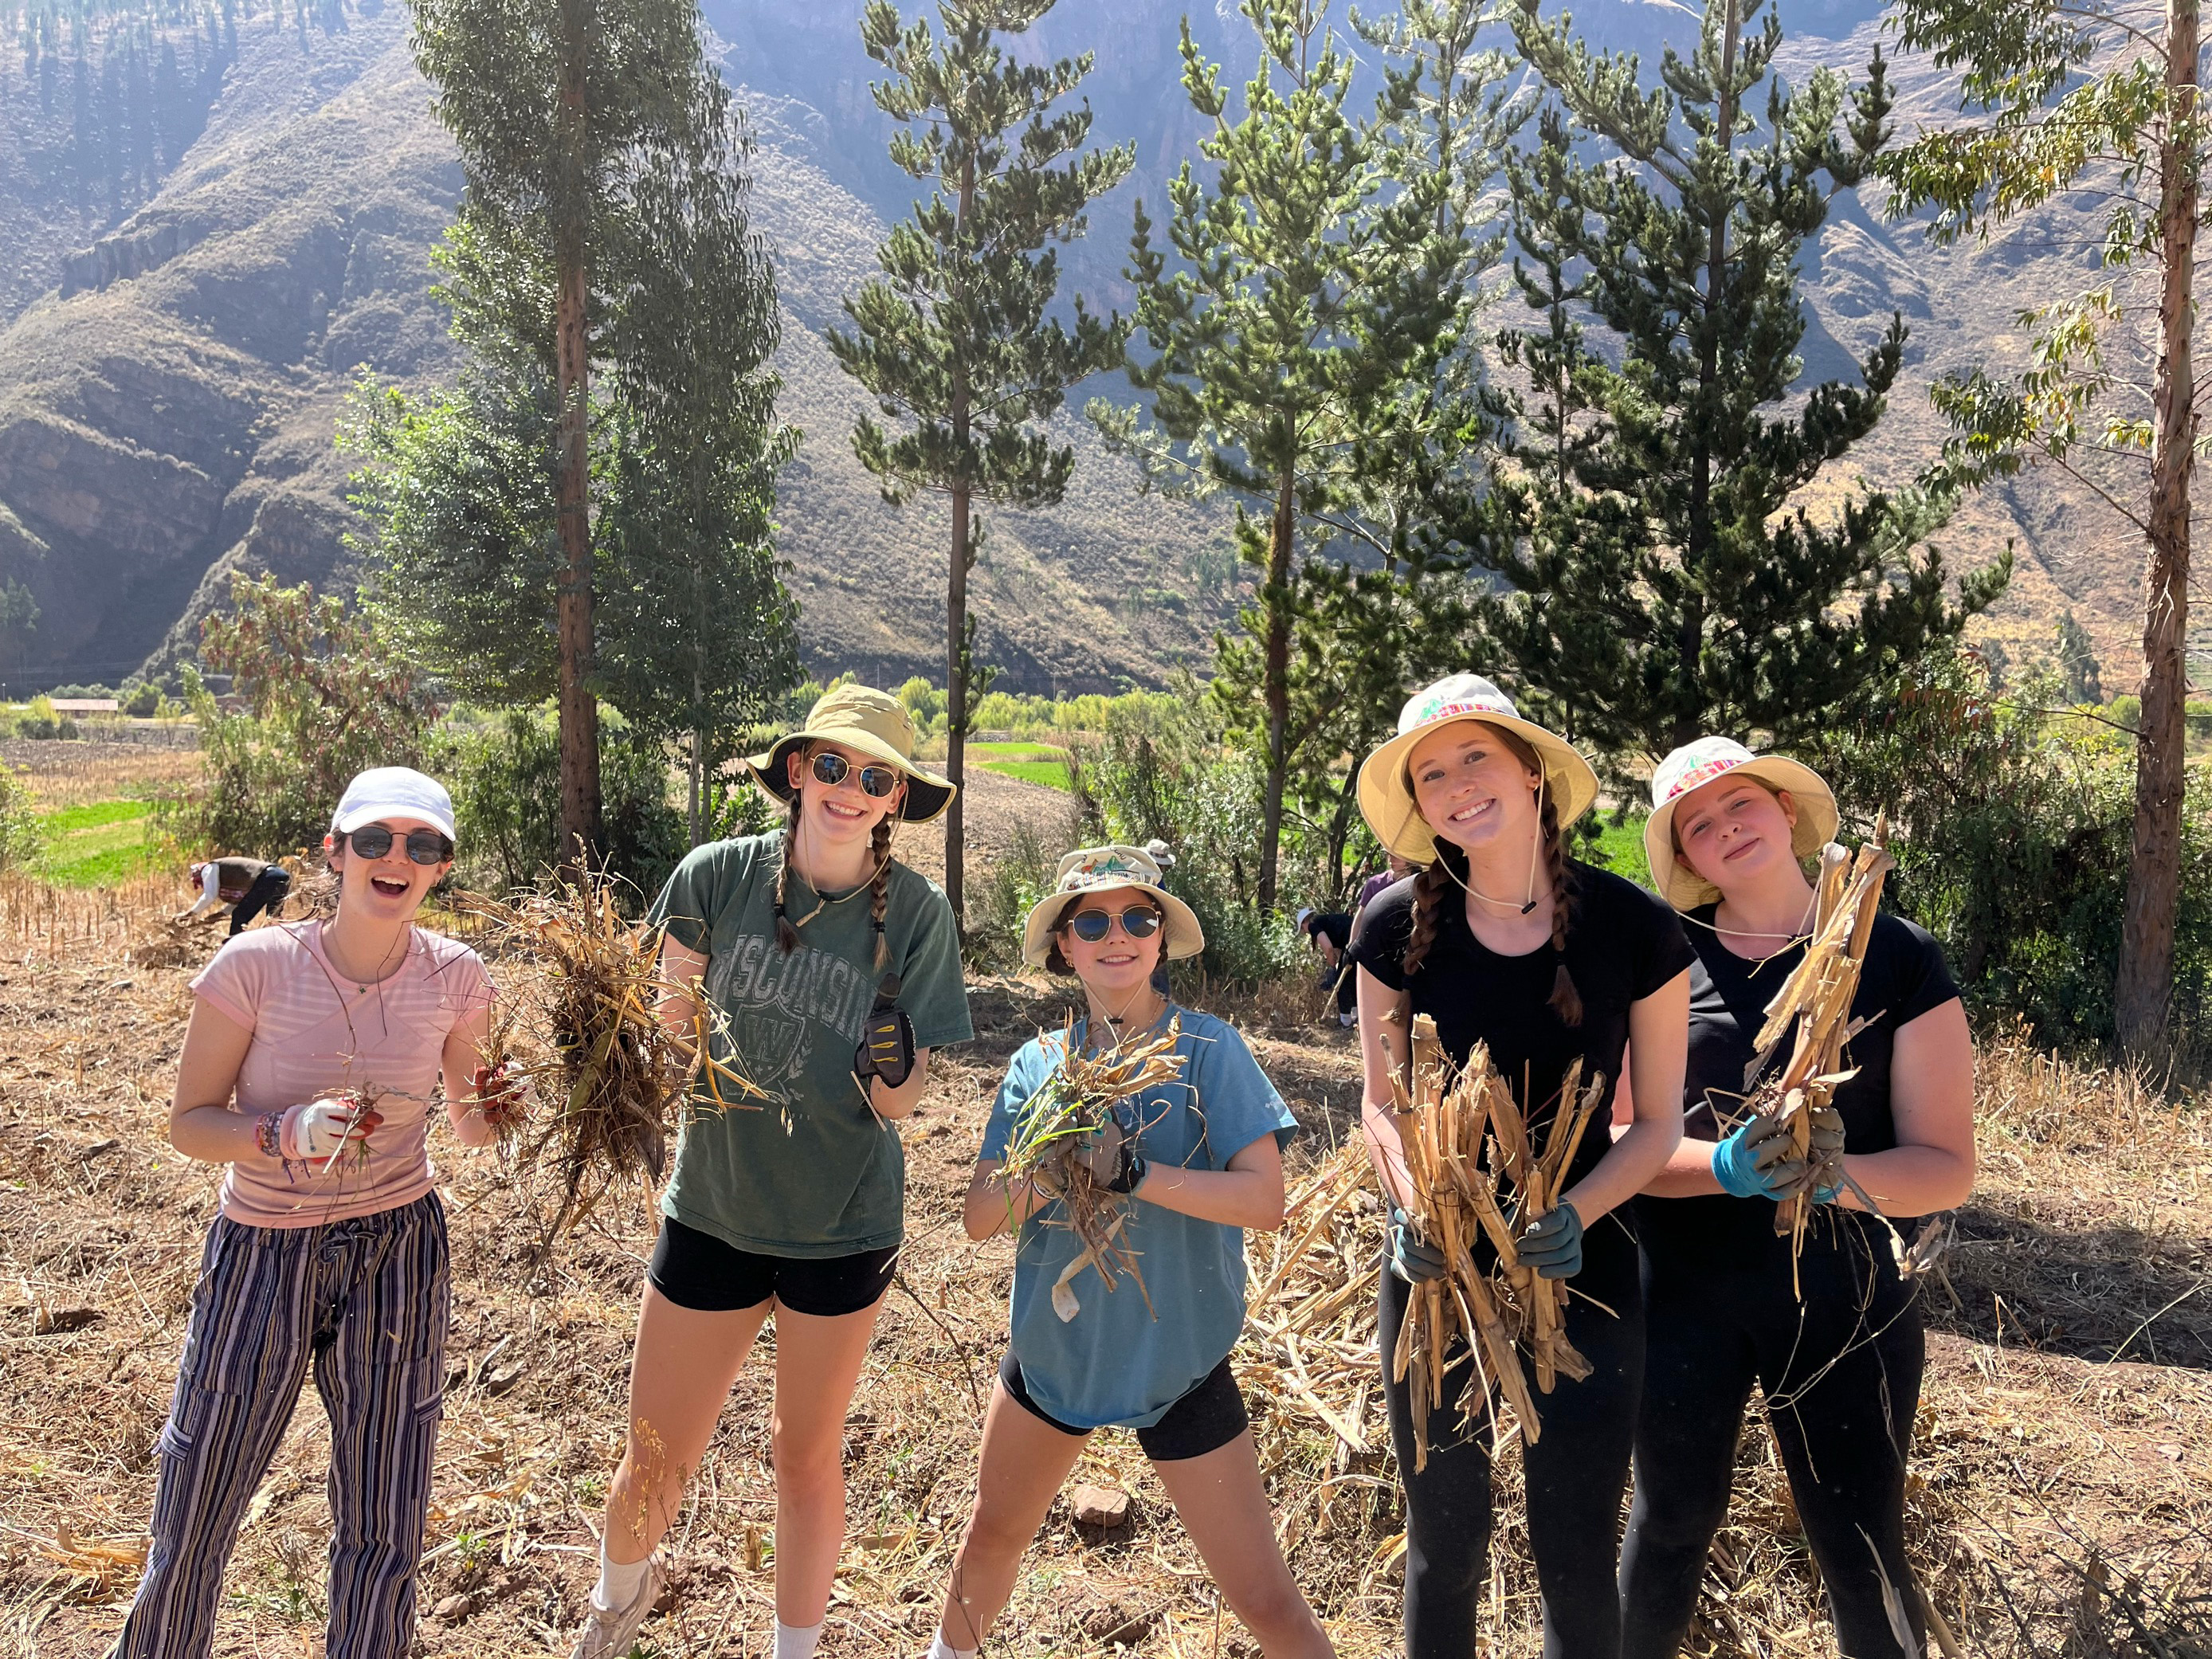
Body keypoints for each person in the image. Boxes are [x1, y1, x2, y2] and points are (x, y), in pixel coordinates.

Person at [571, 685, 971, 1659]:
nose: (849, 789)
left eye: (874, 777)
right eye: (832, 765)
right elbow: (668, 1039)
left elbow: (901, 1105)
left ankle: (795, 1650)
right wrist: (602, 1054)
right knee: (654, 1456)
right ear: (796, 770)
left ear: (894, 800)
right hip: (714, 1211)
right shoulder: (714, 876)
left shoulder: (914, 917)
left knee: (805, 1455)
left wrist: (890, 1073)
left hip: (841, 1226)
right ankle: (610, 1614)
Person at [114, 767, 515, 1659]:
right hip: (265, 1249)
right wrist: (281, 1131)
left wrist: (509, 1099)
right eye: (374, 840)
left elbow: (471, 1125)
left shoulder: (459, 977)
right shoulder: (253, 966)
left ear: (442, 869)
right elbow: (189, 1126)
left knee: (386, 1516)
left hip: (399, 1251)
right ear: (334, 853)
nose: (396, 858)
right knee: (199, 1499)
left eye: (423, 846)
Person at [1342, 673, 1692, 1659]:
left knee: (1574, 1550)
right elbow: (1379, 1102)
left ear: (1532, 770)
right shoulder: (1388, 929)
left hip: (1586, 1271)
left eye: (1474, 758)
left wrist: (1577, 1212)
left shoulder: (1635, 928)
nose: (1455, 785)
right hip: (1435, 1272)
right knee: (1443, 1545)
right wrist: (1414, 1209)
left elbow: (1656, 1126)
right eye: (1431, 775)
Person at [928, 845, 1334, 1659]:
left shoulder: (1209, 1052)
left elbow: (1264, 1200)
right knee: (990, 1541)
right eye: (1093, 921)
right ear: (1064, 948)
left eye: (1138, 918)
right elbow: (979, 1216)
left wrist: (1136, 1174)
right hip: (1056, 1358)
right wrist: (1053, 1167)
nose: (1119, 936)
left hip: (1176, 1359)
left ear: (1159, 938)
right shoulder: (1037, 1067)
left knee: (1261, 1597)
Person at [1618, 737, 1975, 1659]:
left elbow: (1945, 1166)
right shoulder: (1657, 961)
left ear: (1785, 812)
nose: (1724, 829)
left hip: (1846, 1305)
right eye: (1696, 825)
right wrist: (1729, 1166)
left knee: (1862, 1551)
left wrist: (1835, 1178)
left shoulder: (1891, 954)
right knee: (1667, 1525)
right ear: (1685, 860)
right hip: (1680, 1298)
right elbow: (1621, 1144)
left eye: (1741, 805)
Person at [180, 855, 293, 935]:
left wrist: (188, 915)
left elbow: (210, 895)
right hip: (280, 875)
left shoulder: (209, 868)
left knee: (239, 917)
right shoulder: (230, 872)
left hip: (268, 877)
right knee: (274, 918)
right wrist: (221, 914)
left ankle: (234, 948)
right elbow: (241, 900)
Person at [1296, 905, 1356, 1024]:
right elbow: (1337, 949)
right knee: (1353, 980)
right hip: (1358, 940)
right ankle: (1356, 1018)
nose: (1306, 932)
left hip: (1353, 942)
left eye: (1303, 929)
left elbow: (1328, 948)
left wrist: (1332, 969)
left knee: (1342, 983)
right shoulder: (1325, 921)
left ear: (1304, 923)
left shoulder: (1313, 925)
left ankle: (1346, 1023)